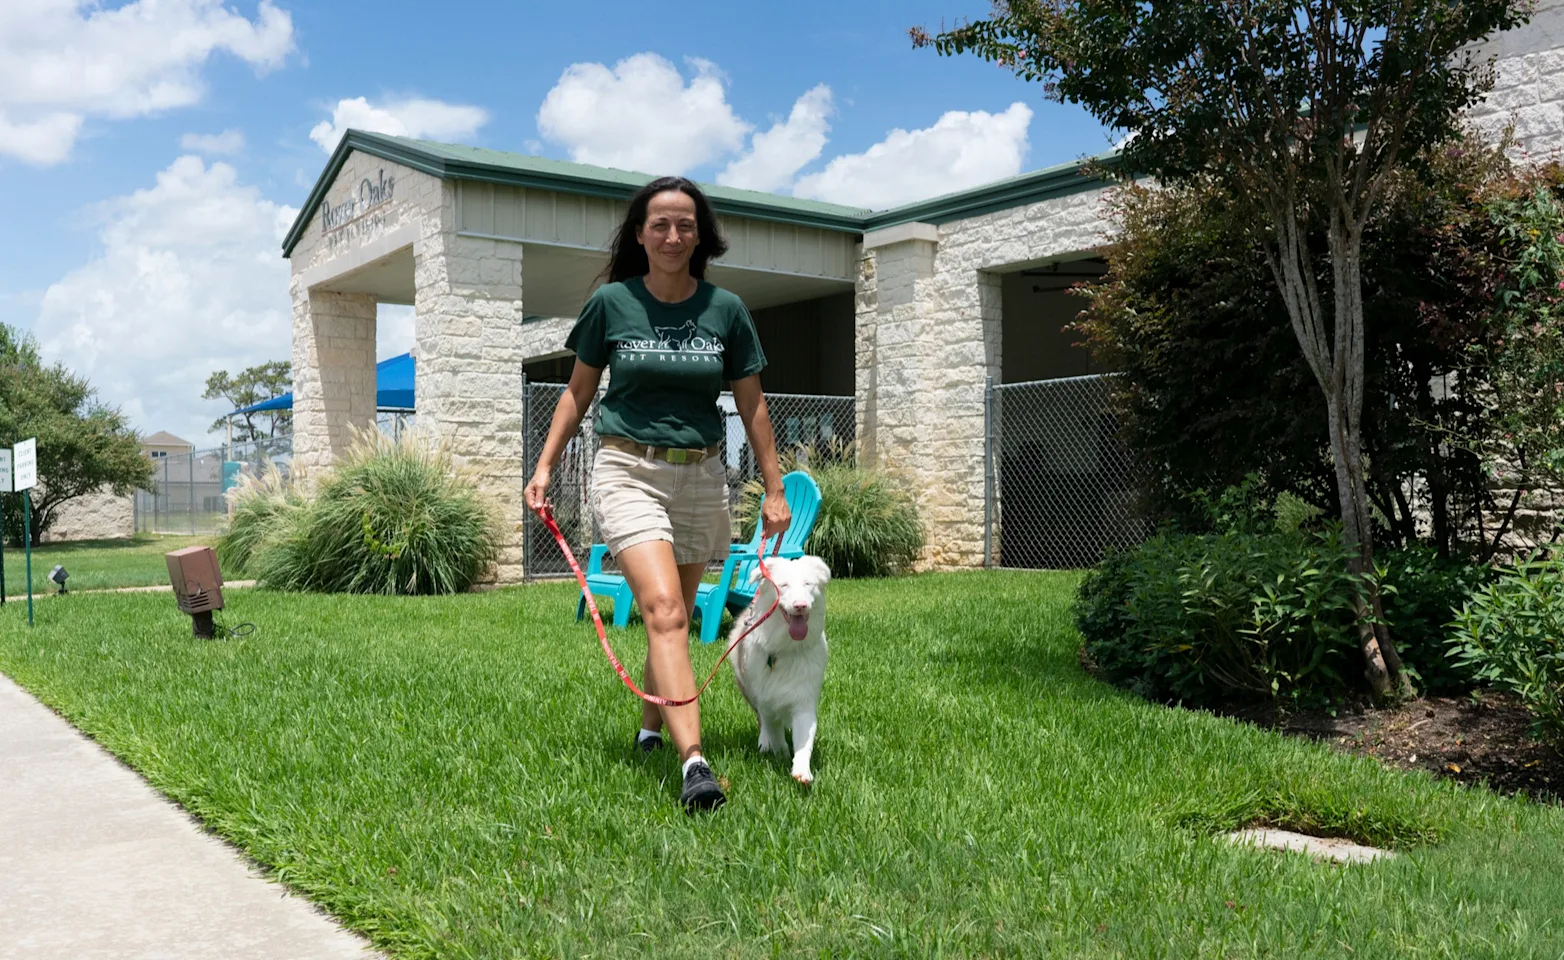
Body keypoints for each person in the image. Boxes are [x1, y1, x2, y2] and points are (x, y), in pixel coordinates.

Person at [524, 176, 791, 813]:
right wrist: (543, 468)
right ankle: (694, 764)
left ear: (701, 235)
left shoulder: (726, 310)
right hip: (627, 469)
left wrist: (775, 488)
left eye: (686, 225)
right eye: (660, 224)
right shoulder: (612, 304)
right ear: (639, 234)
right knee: (667, 610)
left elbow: (751, 405)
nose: (673, 236)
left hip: (702, 476)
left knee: (669, 615)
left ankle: (650, 725)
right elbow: (576, 392)